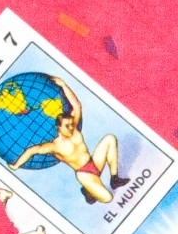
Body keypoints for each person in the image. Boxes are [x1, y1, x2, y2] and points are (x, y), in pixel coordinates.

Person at [10, 76, 128, 205]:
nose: (71, 127)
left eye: (72, 124)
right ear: (59, 127)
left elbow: (77, 106)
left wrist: (63, 85)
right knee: (108, 198)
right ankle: (88, 190)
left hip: (93, 162)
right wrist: (16, 165)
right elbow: (32, 150)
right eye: (67, 126)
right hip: (84, 174)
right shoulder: (54, 146)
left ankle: (114, 179)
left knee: (110, 138)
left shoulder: (74, 129)